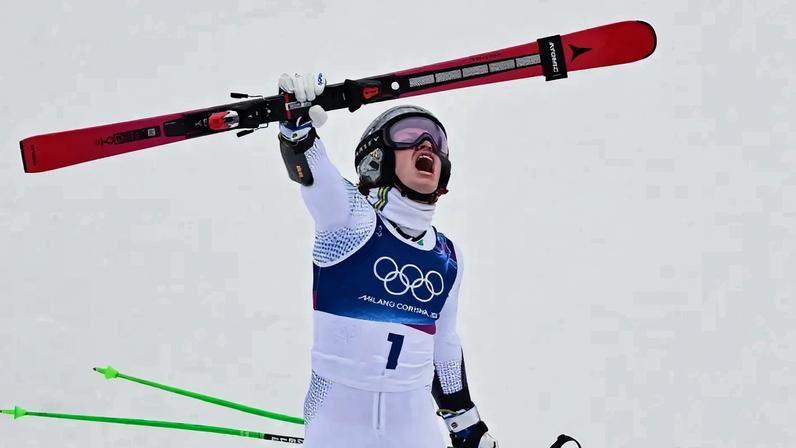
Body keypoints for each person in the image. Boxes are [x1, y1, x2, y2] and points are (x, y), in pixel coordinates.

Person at [276, 72, 498, 448]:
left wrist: (466, 422)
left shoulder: (448, 258)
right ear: (375, 158)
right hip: (338, 423)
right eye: (409, 136)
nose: (427, 144)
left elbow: (443, 346)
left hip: (415, 428)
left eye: (436, 141)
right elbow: (315, 176)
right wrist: (296, 128)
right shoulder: (350, 222)